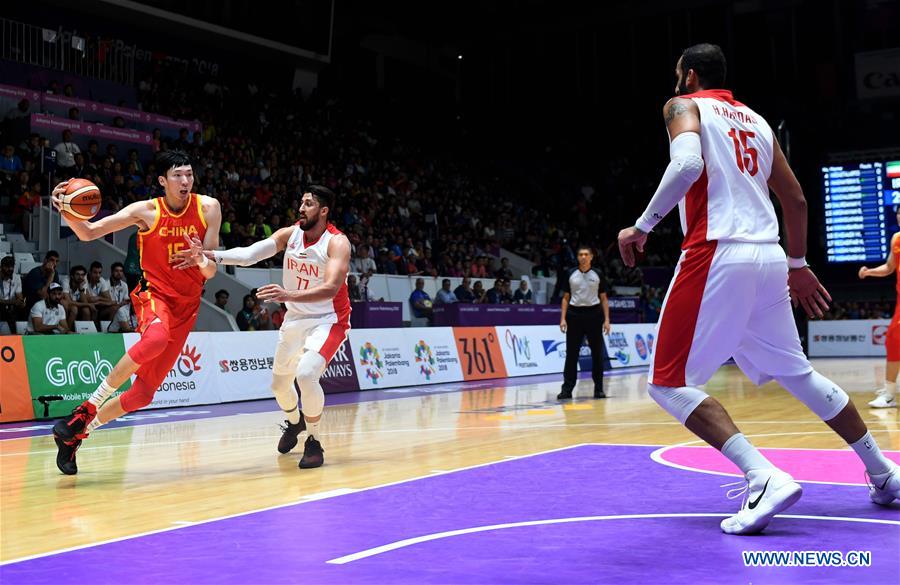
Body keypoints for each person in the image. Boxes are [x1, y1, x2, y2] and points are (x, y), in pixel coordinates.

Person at [616, 43, 899, 534]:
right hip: (769, 258)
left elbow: (686, 167)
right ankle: (884, 473)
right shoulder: (759, 122)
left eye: (677, 75)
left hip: (717, 252)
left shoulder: (683, 106)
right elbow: (795, 199)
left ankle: (763, 476)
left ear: (688, 76)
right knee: (799, 373)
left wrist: (641, 227)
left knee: (666, 382)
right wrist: (797, 263)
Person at [48, 150, 221, 475]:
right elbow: (87, 232)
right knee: (156, 338)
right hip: (154, 295)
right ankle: (86, 408)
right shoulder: (146, 212)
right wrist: (66, 209)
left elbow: (211, 272)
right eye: (177, 175)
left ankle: (77, 434)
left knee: (142, 394)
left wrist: (200, 258)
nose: (185, 181)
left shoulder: (209, 208)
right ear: (162, 181)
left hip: (188, 306)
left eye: (189, 174)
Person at [178, 185, 349, 469]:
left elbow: (331, 288)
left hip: (328, 320)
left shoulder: (336, 243)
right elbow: (248, 255)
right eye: (301, 202)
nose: (301, 208)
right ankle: (295, 424)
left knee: (306, 375)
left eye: (308, 204)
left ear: (323, 210)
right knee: (279, 386)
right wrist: (208, 255)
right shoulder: (290, 234)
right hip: (295, 319)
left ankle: (314, 441)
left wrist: (288, 295)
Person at [858, 210, 900, 409]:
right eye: (899, 213)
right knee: (893, 341)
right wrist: (869, 272)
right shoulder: (897, 239)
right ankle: (889, 394)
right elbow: (890, 267)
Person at [558, 246, 611, 400]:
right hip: (574, 315)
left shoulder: (598, 274)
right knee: (571, 355)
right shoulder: (570, 273)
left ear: (591, 256)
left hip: (594, 314)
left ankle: (599, 389)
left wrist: (607, 320)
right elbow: (565, 298)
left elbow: (604, 298)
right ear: (577, 257)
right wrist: (562, 318)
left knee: (597, 354)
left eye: (586, 254)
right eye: (580, 254)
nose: (583, 257)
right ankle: (567, 390)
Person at [0, 256, 25, 334]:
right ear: (1, 267)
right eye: (7, 266)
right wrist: (13, 302)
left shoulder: (16, 278)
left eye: (12, 266)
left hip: (11, 309)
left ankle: (15, 336)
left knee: (16, 311)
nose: (10, 269)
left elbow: (19, 296)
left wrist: (21, 302)